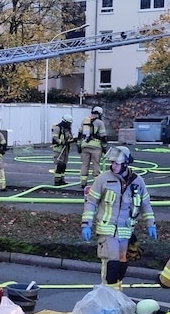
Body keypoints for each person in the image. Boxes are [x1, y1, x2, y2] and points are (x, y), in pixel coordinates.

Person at [81, 146, 156, 290]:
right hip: (107, 229)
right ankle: (108, 295)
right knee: (111, 263)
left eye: (116, 163)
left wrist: (151, 224)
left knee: (122, 262)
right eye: (112, 163)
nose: (113, 166)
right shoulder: (103, 179)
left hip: (125, 231)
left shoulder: (137, 181)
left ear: (125, 164)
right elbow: (91, 202)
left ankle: (116, 293)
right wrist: (86, 224)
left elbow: (145, 204)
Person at [77, 106, 107, 188]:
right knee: (96, 165)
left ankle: (83, 183)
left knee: (84, 165)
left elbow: (80, 134)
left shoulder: (84, 121)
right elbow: (103, 136)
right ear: (100, 114)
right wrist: (104, 147)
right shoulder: (100, 123)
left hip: (84, 146)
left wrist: (79, 145)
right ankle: (96, 184)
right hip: (96, 147)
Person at [51, 114, 74, 185]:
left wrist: (72, 140)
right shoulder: (58, 128)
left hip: (65, 150)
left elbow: (70, 137)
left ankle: (62, 179)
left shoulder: (67, 129)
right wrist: (62, 142)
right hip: (59, 150)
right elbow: (55, 138)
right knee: (59, 165)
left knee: (64, 165)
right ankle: (57, 181)